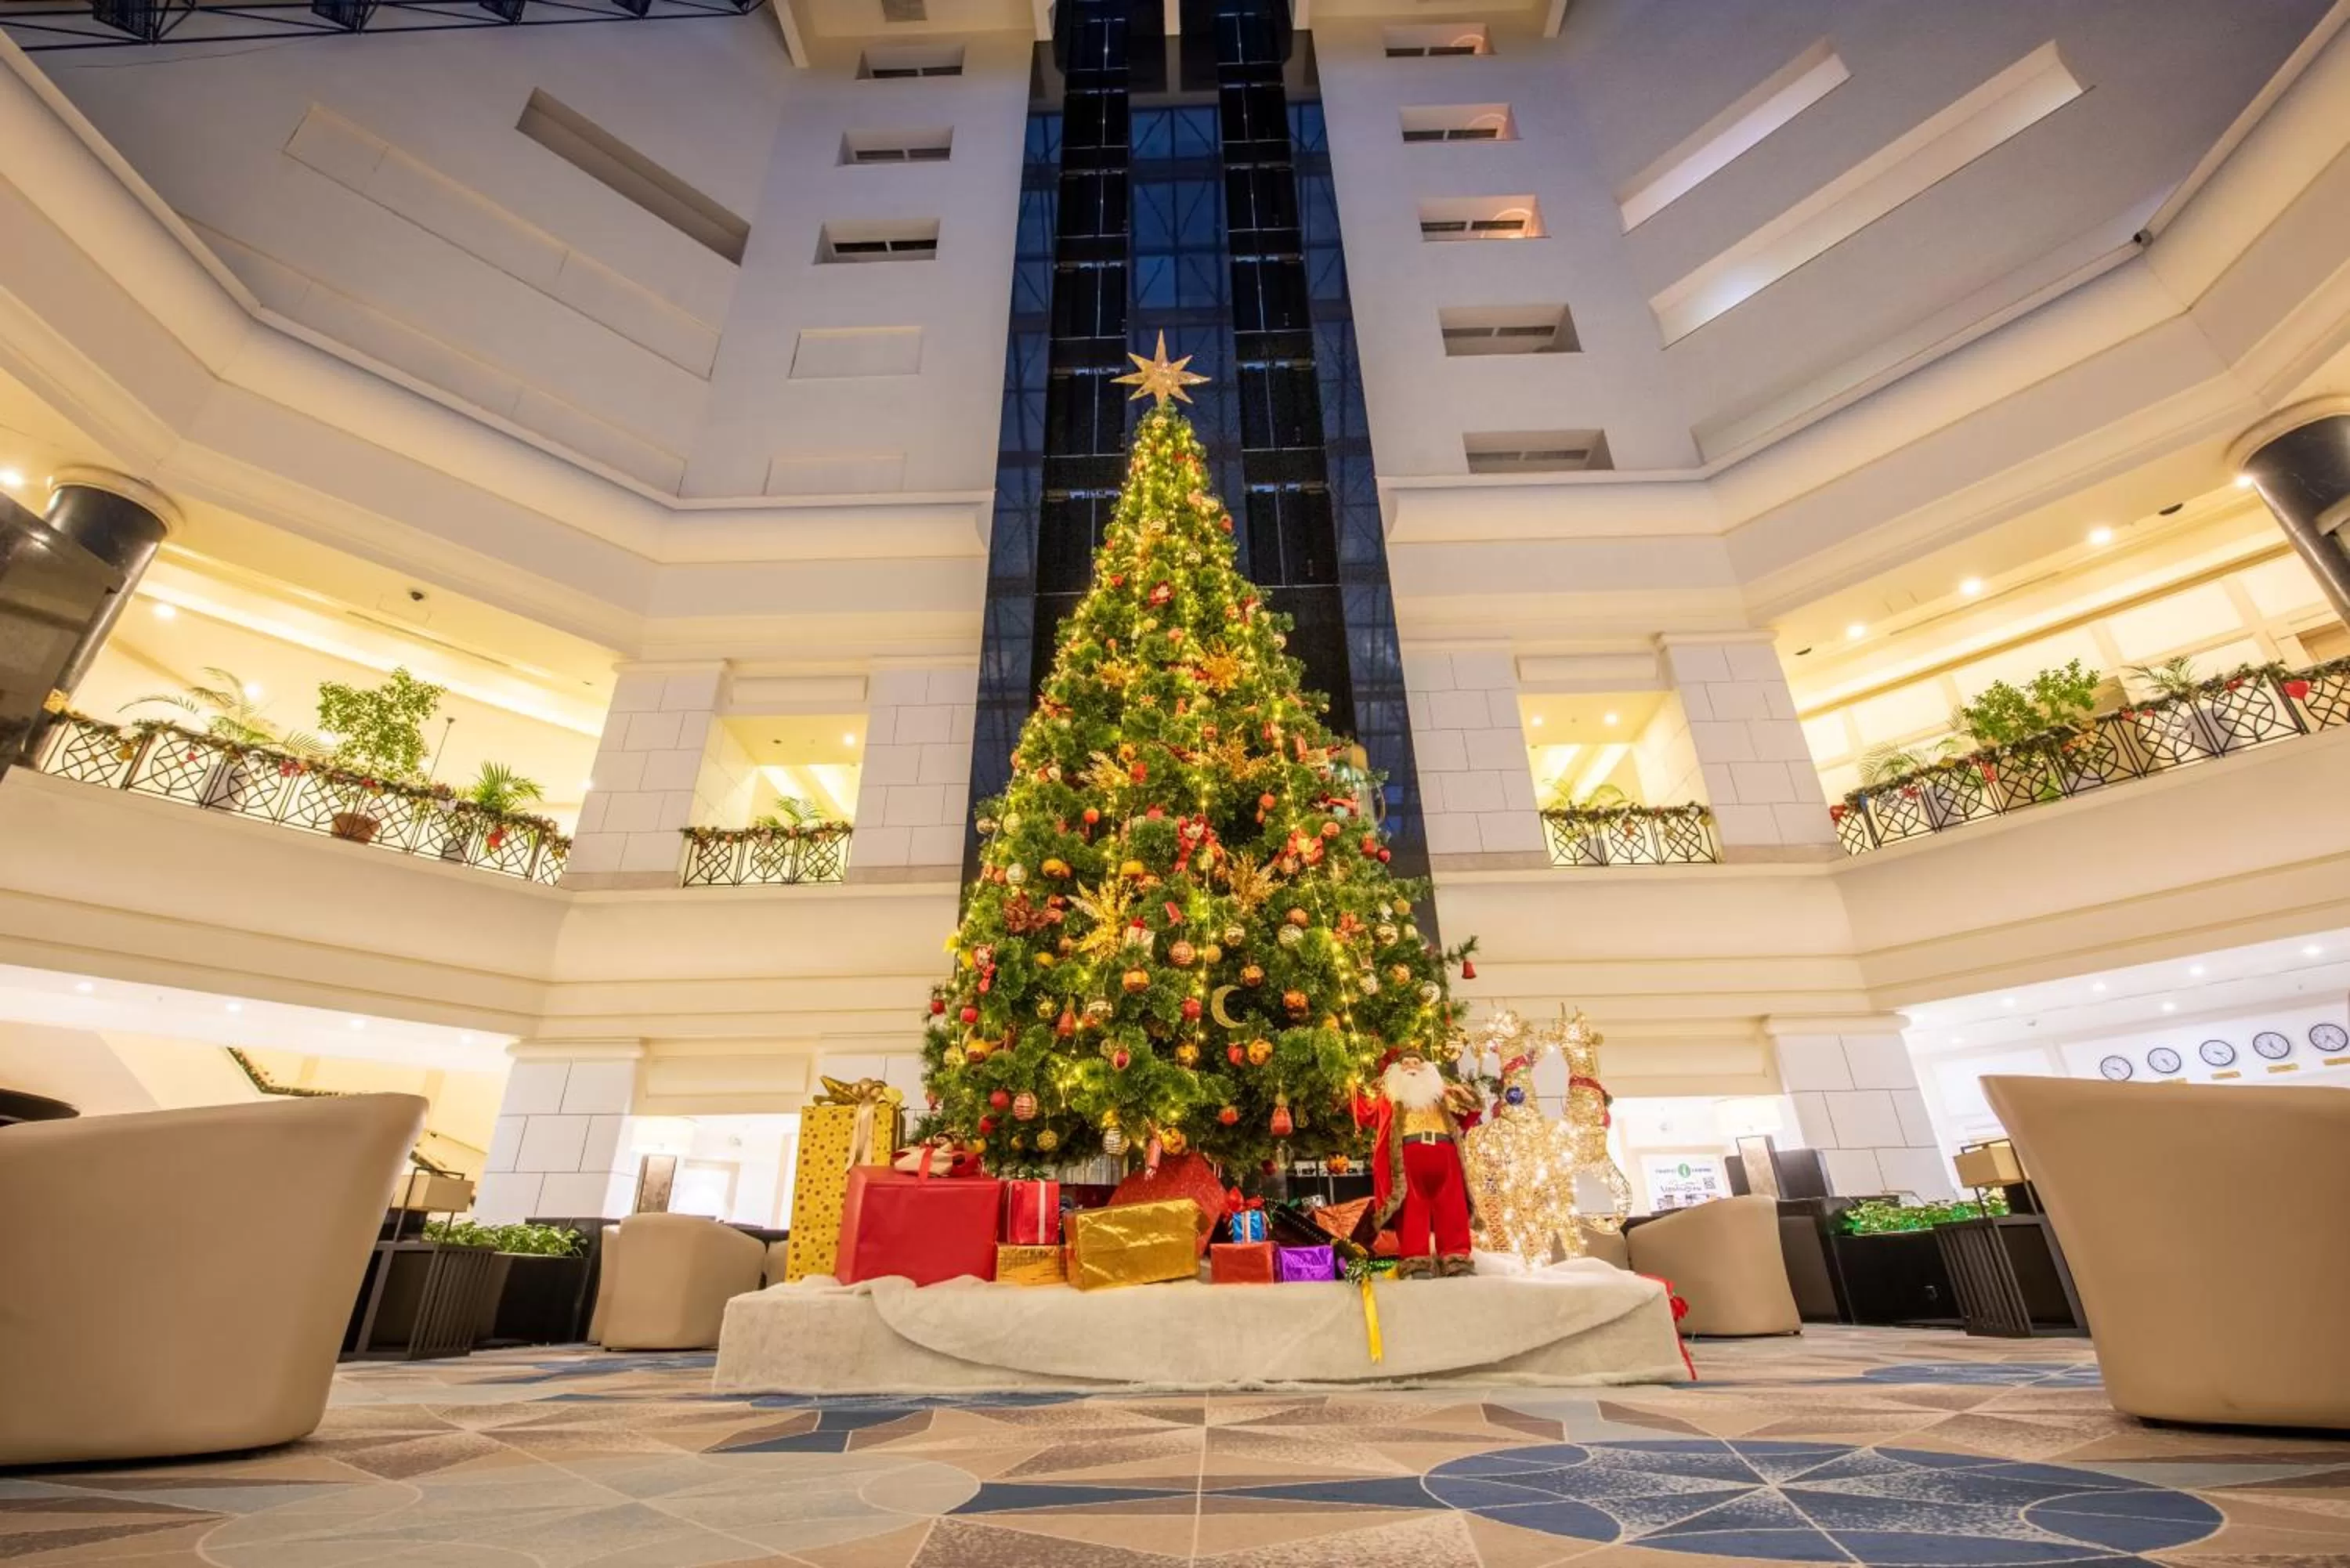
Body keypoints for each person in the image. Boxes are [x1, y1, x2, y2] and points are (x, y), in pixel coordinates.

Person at [1356, 1046, 1480, 1278]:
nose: (1412, 1067)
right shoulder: (1390, 1100)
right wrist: (1347, 1092)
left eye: (1417, 1063)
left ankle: (1456, 1258)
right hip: (1408, 1162)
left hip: (1446, 1158)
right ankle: (1416, 1261)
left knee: (1453, 1208)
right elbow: (1365, 1112)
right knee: (1412, 1210)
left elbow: (1469, 1117)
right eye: (1406, 1063)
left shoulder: (1444, 1097)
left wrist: (1467, 1098)